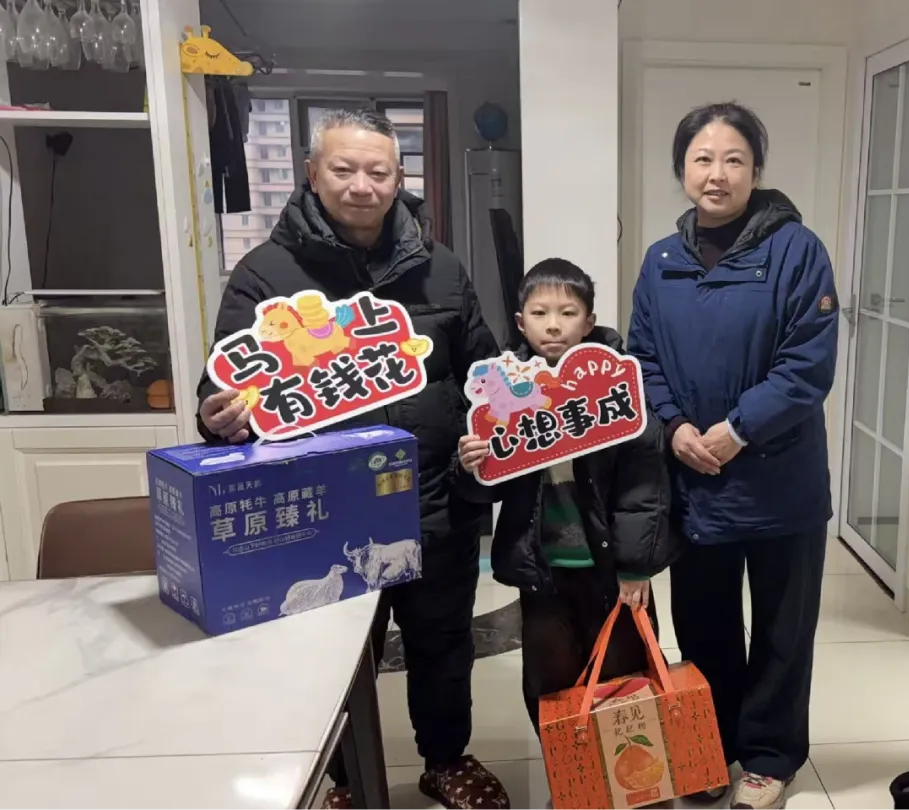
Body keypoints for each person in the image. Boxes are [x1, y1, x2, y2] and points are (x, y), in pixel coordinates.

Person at [195, 109, 509, 810]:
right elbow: (222, 390)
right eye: (343, 169)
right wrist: (219, 418)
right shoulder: (265, 274)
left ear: (399, 179)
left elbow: (482, 372)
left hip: (433, 498)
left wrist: (493, 427)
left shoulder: (441, 268)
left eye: (378, 171)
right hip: (323, 513)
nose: (361, 186)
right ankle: (345, 779)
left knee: (442, 643)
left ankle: (445, 760)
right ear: (313, 174)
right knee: (329, 654)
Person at [627, 102, 839, 810]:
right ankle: (710, 746)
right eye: (702, 159)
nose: (717, 174)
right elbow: (642, 358)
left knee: (783, 627)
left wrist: (736, 430)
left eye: (734, 160)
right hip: (696, 478)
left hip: (781, 479)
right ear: (682, 169)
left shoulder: (797, 251)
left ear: (755, 170)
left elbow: (807, 367)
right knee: (705, 620)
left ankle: (771, 756)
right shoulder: (662, 260)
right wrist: (674, 426)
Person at [455, 259, 680, 732]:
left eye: (568, 312)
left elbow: (644, 484)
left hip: (611, 567)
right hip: (542, 568)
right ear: (521, 323)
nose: (553, 325)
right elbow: (484, 491)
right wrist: (473, 465)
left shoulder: (617, 384)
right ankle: (569, 769)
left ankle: (630, 772)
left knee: (622, 674)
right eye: (540, 313)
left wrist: (636, 565)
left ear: (589, 321)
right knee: (551, 679)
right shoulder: (500, 390)